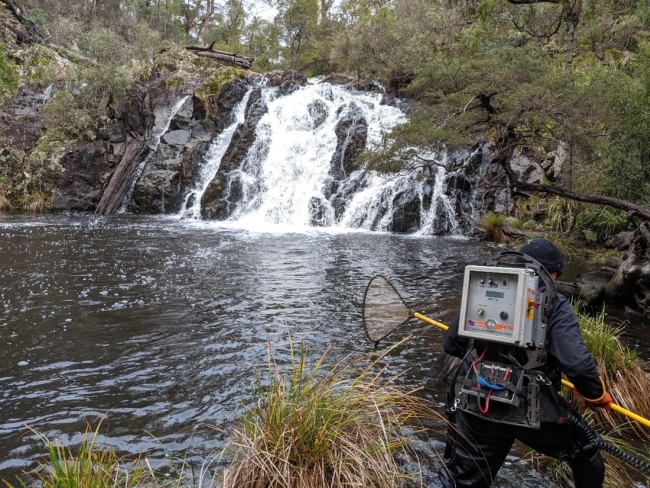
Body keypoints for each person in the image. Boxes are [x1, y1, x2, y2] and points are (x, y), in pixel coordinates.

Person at [438, 238, 613, 488]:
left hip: (479, 404)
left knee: (464, 480)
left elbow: (452, 345)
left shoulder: (480, 289)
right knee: (586, 450)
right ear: (552, 274)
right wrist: (595, 395)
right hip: (535, 411)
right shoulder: (556, 303)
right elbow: (578, 365)